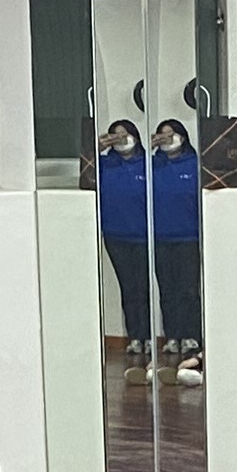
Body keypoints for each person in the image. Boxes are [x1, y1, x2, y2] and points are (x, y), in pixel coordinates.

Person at [147, 117, 207, 385]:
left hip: (188, 237)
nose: (167, 139)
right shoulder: (153, 165)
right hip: (160, 238)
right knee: (167, 289)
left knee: (188, 289)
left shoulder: (194, 164)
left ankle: (192, 335)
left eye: (171, 134)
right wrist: (151, 148)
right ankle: (172, 335)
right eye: (162, 135)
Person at [97, 119, 157, 385]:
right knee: (128, 289)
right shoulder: (105, 164)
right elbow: (86, 172)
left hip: (145, 236)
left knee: (144, 287)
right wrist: (96, 148)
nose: (121, 140)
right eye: (115, 136)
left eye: (125, 135)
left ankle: (151, 336)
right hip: (116, 236)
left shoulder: (148, 164)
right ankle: (135, 337)